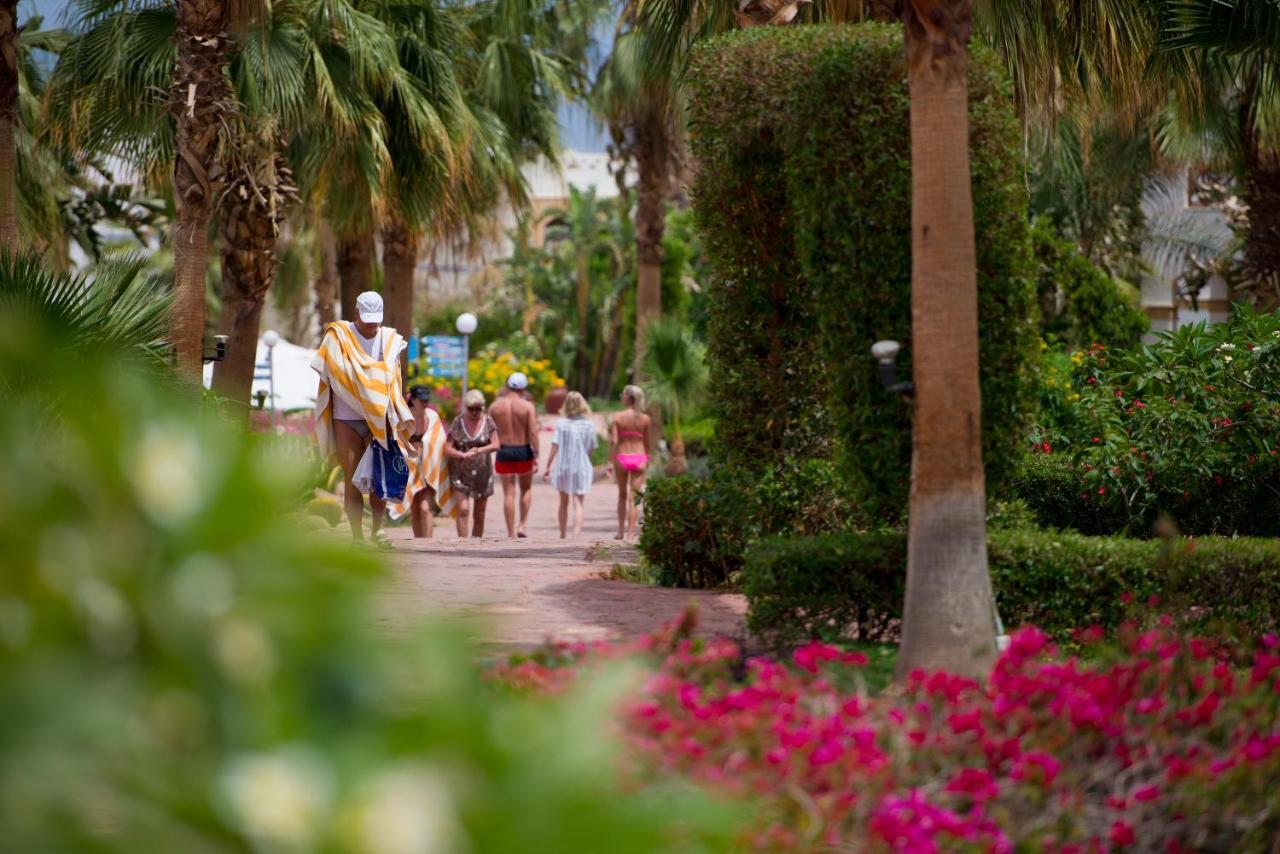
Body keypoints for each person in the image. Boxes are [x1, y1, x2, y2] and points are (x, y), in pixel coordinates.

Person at [310, 291, 415, 548]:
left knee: (380, 476)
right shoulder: (338, 337)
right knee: (351, 478)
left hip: (379, 420)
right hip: (345, 418)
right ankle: (357, 536)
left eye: (375, 322)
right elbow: (334, 373)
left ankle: (377, 531)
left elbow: (392, 383)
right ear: (356, 314)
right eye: (366, 320)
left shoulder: (390, 341)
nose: (371, 327)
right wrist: (369, 380)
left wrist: (381, 409)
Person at [488, 372, 540, 538]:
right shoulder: (527, 406)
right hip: (523, 449)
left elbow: (489, 430)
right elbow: (532, 432)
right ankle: (522, 526)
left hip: (504, 450)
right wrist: (536, 454)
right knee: (526, 488)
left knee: (508, 493)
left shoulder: (495, 406)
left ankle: (510, 532)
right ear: (523, 388)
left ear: (507, 386)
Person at [444, 389, 500, 537]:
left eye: (478, 408)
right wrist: (461, 454)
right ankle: (463, 543)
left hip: (482, 472)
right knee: (463, 509)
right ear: (466, 407)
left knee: (479, 513)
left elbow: (496, 444)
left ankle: (476, 544)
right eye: (471, 409)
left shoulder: (488, 421)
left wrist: (479, 450)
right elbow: (447, 447)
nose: (475, 412)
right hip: (460, 473)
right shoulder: (458, 422)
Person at [542, 391, 597, 538]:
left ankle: (562, 534)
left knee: (563, 502)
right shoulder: (589, 425)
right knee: (578, 502)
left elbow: (555, 445)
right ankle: (576, 535)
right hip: (581, 466)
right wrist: (585, 459)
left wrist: (547, 466)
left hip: (563, 466)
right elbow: (591, 448)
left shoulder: (561, 424)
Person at [609, 384, 652, 540]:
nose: (621, 397)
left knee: (622, 495)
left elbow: (614, 441)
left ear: (628, 397)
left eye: (622, 394)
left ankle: (620, 531)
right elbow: (647, 442)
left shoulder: (617, 417)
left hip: (622, 456)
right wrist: (649, 457)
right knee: (634, 497)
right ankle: (631, 532)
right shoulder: (645, 418)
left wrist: (609, 460)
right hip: (640, 456)